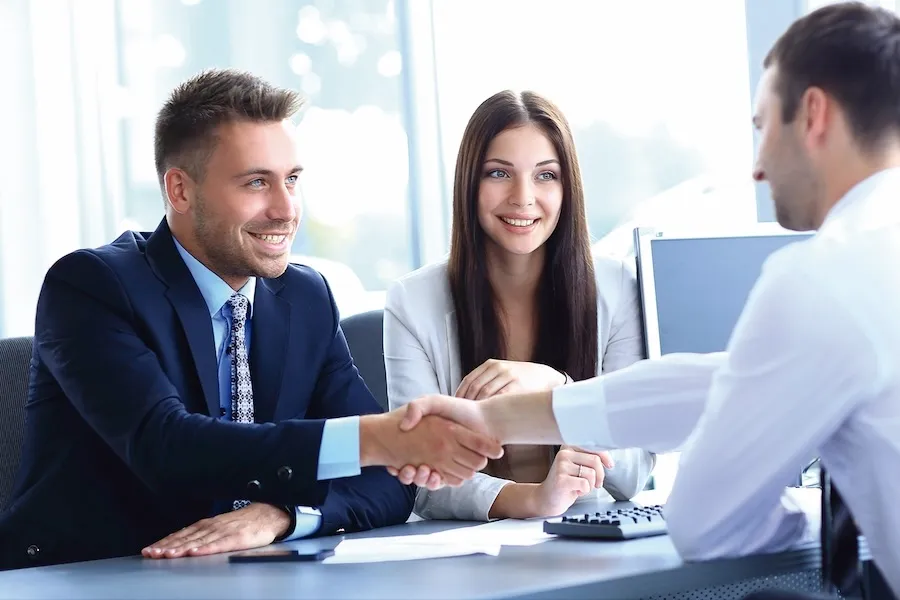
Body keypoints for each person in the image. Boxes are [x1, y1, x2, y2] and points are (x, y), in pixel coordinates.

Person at [394, 3, 900, 597]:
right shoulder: (869, 260)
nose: (758, 168)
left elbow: (705, 521)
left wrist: (808, 513)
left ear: (812, 115)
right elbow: (718, 382)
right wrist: (497, 417)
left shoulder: (822, 277)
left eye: (762, 127)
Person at [0, 69, 502, 571]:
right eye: (256, 182)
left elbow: (389, 480)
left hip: (251, 576)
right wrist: (374, 439)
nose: (285, 210)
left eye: (293, 180)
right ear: (179, 191)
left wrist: (283, 515)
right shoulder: (93, 285)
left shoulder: (304, 297)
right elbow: (167, 445)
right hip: (92, 575)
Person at [384, 90, 655, 521]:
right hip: (469, 554)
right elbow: (423, 481)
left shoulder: (618, 287)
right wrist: (532, 500)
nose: (523, 197)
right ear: (469, 183)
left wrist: (557, 388)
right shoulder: (412, 301)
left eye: (546, 175)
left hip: (591, 539)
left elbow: (634, 469)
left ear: (568, 188)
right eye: (498, 173)